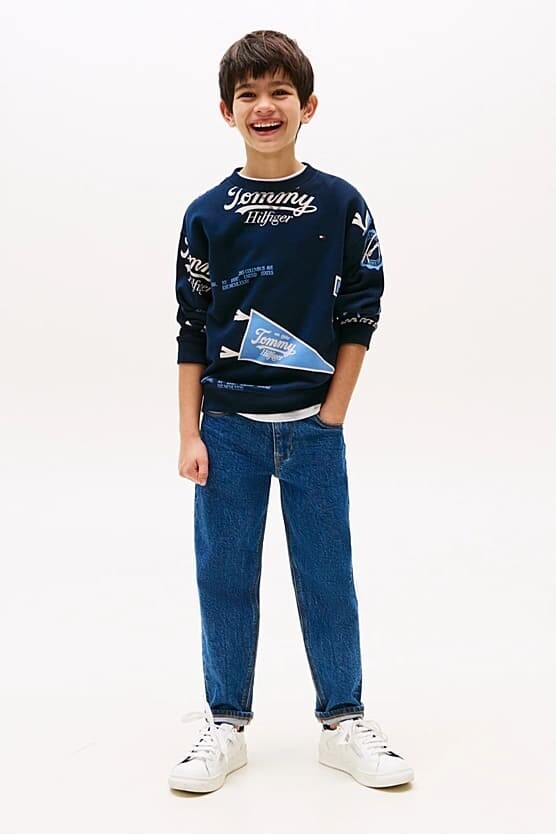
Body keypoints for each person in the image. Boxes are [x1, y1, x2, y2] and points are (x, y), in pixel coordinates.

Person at [168, 29, 414, 793]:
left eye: (280, 92)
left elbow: (361, 310)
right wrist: (189, 433)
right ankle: (225, 723)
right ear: (226, 111)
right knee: (225, 576)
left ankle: (343, 721)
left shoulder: (340, 204)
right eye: (248, 94)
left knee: (327, 575)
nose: (264, 106)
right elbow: (191, 326)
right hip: (226, 432)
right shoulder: (207, 213)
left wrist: (331, 414)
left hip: (312, 432)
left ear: (308, 106)